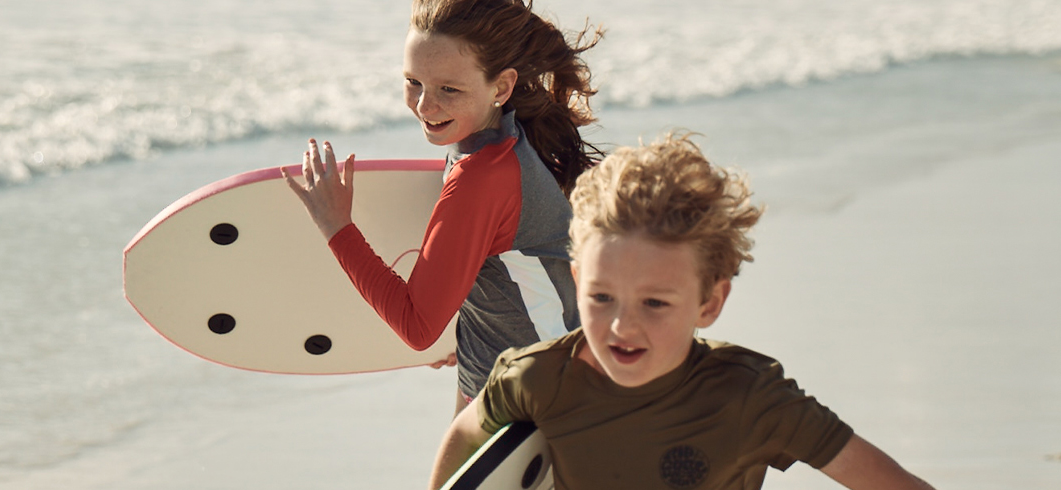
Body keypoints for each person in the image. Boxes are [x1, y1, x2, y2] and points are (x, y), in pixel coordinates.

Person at [427, 134, 936, 489]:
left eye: (655, 303)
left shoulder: (749, 396)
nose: (623, 325)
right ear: (578, 282)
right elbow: (467, 435)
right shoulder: (537, 378)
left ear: (709, 302)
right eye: (602, 298)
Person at [284, 0, 604, 413]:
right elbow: (513, 271)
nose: (423, 105)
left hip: (533, 400)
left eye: (448, 89)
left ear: (501, 87)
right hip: (524, 371)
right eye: (413, 81)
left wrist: (336, 227)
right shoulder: (504, 142)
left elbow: (418, 327)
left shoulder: (481, 180)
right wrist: (470, 330)